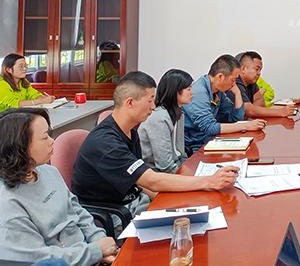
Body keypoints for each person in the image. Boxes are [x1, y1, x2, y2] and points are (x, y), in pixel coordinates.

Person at [72, 72, 240, 219]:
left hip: (138, 200)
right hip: (117, 214)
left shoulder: (130, 132)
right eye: (150, 101)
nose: (153, 107)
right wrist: (209, 182)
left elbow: (140, 181)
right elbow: (150, 180)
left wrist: (171, 199)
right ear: (130, 103)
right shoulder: (106, 142)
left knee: (200, 207)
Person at [0, 108, 118, 265]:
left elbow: (77, 211)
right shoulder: (8, 202)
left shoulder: (49, 171)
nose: (52, 141)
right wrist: (96, 252)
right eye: (44, 137)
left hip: (87, 254)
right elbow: (40, 258)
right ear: (20, 147)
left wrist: (100, 241)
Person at [183, 55, 267, 152]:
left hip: (210, 141)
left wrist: (237, 93)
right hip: (196, 147)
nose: (234, 84)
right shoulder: (198, 92)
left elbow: (235, 119)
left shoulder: (218, 92)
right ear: (220, 77)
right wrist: (246, 126)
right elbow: (209, 127)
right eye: (233, 80)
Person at [138, 69, 192, 173]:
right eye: (188, 89)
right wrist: (189, 177)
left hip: (174, 168)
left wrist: (188, 169)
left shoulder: (179, 113)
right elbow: (165, 166)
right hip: (155, 173)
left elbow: (181, 153)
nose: (191, 93)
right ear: (175, 91)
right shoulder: (159, 118)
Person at [234, 52, 295, 118]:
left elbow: (261, 102)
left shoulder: (251, 82)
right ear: (243, 69)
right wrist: (281, 112)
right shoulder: (235, 82)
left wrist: (250, 110)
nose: (259, 73)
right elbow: (250, 111)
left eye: (260, 70)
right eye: (257, 69)